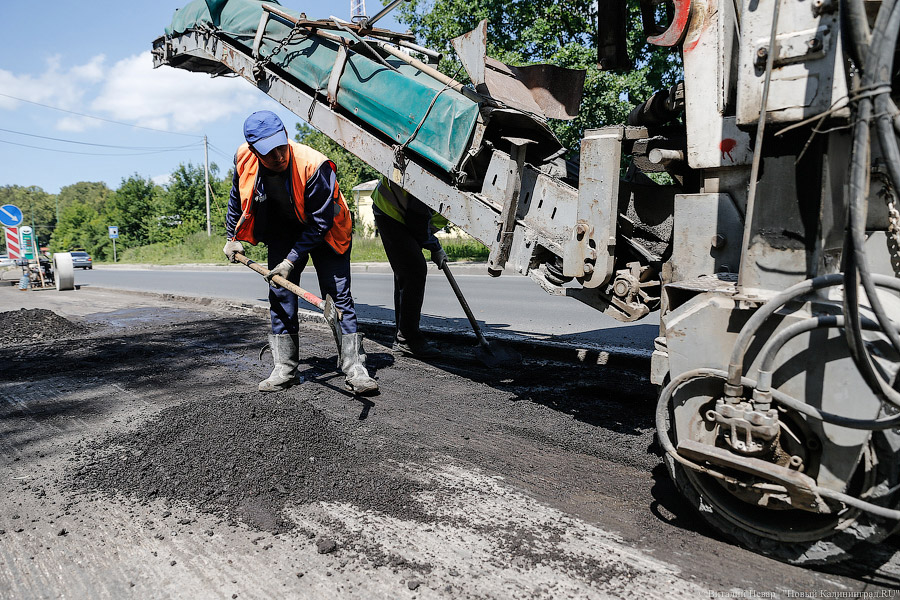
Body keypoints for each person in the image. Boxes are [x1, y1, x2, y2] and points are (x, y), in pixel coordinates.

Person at [223, 111, 378, 394]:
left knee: (337, 294)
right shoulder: (243, 158)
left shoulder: (315, 165)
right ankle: (285, 368)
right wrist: (232, 238)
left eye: (282, 147)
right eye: (270, 153)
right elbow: (238, 197)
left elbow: (320, 223)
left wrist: (290, 261)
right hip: (283, 229)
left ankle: (355, 366)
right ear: (255, 150)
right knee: (280, 293)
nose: (279, 156)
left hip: (327, 230)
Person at [371, 176, 448, 358]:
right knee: (414, 271)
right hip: (391, 210)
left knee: (407, 272)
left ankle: (403, 336)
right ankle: (407, 339)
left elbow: (422, 220)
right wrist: (435, 246)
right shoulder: (434, 179)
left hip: (405, 214)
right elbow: (417, 217)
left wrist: (431, 242)